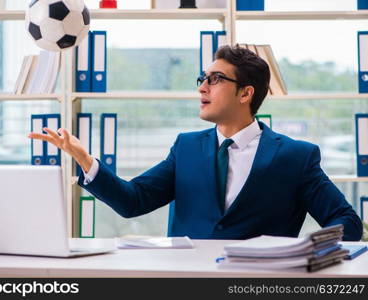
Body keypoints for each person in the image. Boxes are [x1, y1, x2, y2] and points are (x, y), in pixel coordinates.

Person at [28, 45, 362, 241]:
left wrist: (303, 254)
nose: (202, 88)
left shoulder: (296, 156)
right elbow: (133, 201)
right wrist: (86, 161)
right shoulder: (185, 148)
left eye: (215, 80)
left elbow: (346, 222)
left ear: (246, 93)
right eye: (203, 79)